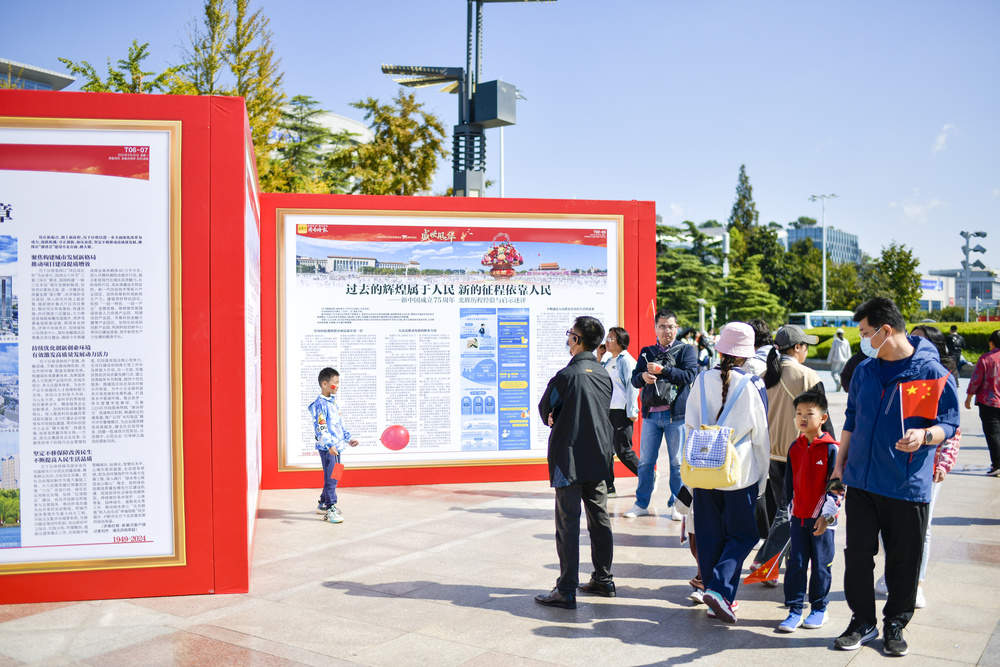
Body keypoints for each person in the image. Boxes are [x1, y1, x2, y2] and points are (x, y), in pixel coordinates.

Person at [831, 297, 960, 656]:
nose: (863, 339)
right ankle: (862, 621)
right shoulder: (865, 371)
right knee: (857, 555)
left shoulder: (931, 373)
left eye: (866, 332)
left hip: (905, 483)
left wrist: (925, 436)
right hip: (861, 481)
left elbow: (949, 423)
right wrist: (840, 465)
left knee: (903, 559)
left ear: (886, 331)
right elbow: (852, 420)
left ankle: (895, 623)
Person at [683, 322, 771, 623]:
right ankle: (719, 590)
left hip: (703, 468)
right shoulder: (753, 384)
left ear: (720, 349)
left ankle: (716, 598)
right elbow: (761, 436)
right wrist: (762, 478)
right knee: (744, 535)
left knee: (709, 536)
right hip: (740, 472)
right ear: (747, 354)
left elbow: (690, 425)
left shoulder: (702, 379)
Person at [535, 316, 616, 609]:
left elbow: (545, 410)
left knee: (568, 523)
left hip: (568, 459)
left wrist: (555, 415)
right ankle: (603, 579)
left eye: (571, 334)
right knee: (599, 518)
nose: (568, 339)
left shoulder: (565, 377)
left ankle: (566, 588)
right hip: (598, 455)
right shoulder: (603, 374)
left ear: (578, 341)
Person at [753, 325, 822, 581]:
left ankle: (773, 568)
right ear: (797, 348)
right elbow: (821, 420)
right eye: (805, 346)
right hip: (799, 454)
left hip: (770, 454)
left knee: (784, 508)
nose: (806, 351)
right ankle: (765, 560)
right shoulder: (808, 376)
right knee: (789, 509)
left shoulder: (763, 375)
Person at [624, 309, 699, 520]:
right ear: (655, 328)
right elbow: (634, 379)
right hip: (650, 416)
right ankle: (641, 504)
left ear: (677, 329)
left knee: (676, 463)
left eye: (671, 326)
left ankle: (678, 504)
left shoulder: (686, 351)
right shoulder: (647, 351)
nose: (667, 331)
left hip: (676, 417)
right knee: (646, 462)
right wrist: (644, 377)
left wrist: (663, 371)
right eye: (662, 326)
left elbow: (690, 375)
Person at [777, 389, 841, 632]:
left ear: (823, 418)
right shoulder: (795, 447)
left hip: (822, 521)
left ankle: (819, 609)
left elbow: (837, 487)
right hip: (798, 518)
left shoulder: (831, 449)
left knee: (822, 564)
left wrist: (826, 517)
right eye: (799, 413)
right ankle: (794, 609)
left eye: (809, 413)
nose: (802, 418)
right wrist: (789, 510)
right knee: (796, 564)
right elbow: (789, 484)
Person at [308, 367, 359, 524]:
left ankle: (323, 503)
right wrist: (329, 445)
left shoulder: (333, 403)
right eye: (335, 383)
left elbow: (339, 424)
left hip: (338, 447)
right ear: (324, 384)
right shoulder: (320, 404)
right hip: (328, 448)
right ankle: (330, 508)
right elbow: (321, 427)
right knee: (331, 478)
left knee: (336, 475)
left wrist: (348, 439)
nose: (337, 386)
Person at [602, 327, 641, 496]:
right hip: (608, 411)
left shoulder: (626, 360)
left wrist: (632, 410)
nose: (607, 341)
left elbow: (632, 386)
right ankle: (609, 486)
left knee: (623, 450)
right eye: (607, 338)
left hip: (622, 410)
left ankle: (647, 475)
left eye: (611, 338)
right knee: (606, 450)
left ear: (620, 342)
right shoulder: (609, 360)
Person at [965, 328, 1000, 476]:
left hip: (989, 402)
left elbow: (976, 380)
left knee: (993, 434)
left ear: (992, 343)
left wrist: (968, 397)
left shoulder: (986, 359)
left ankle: (997, 465)